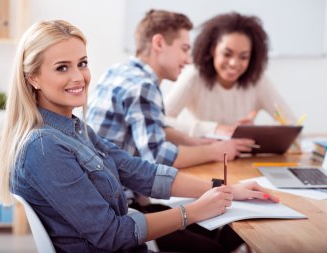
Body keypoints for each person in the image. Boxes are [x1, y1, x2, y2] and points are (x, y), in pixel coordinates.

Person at [0, 20, 279, 253]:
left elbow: (137, 171)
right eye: (62, 67)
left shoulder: (73, 128)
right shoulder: (45, 147)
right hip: (121, 245)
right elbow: (110, 234)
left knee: (231, 231)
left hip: (132, 239)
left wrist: (224, 188)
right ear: (32, 77)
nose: (79, 77)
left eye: (82, 63)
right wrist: (191, 212)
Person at [87, 10, 255, 168]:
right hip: (115, 195)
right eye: (184, 49)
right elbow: (157, 157)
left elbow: (149, 128)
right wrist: (217, 151)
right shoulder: (143, 87)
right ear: (159, 43)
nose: (188, 60)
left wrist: (191, 141)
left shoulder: (117, 71)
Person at [164, 12, 296, 137]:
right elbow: (161, 120)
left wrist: (255, 131)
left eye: (243, 57)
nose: (234, 63)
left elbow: (292, 124)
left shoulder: (258, 80)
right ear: (213, 50)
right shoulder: (194, 76)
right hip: (204, 154)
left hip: (240, 157)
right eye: (227, 54)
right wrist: (215, 128)